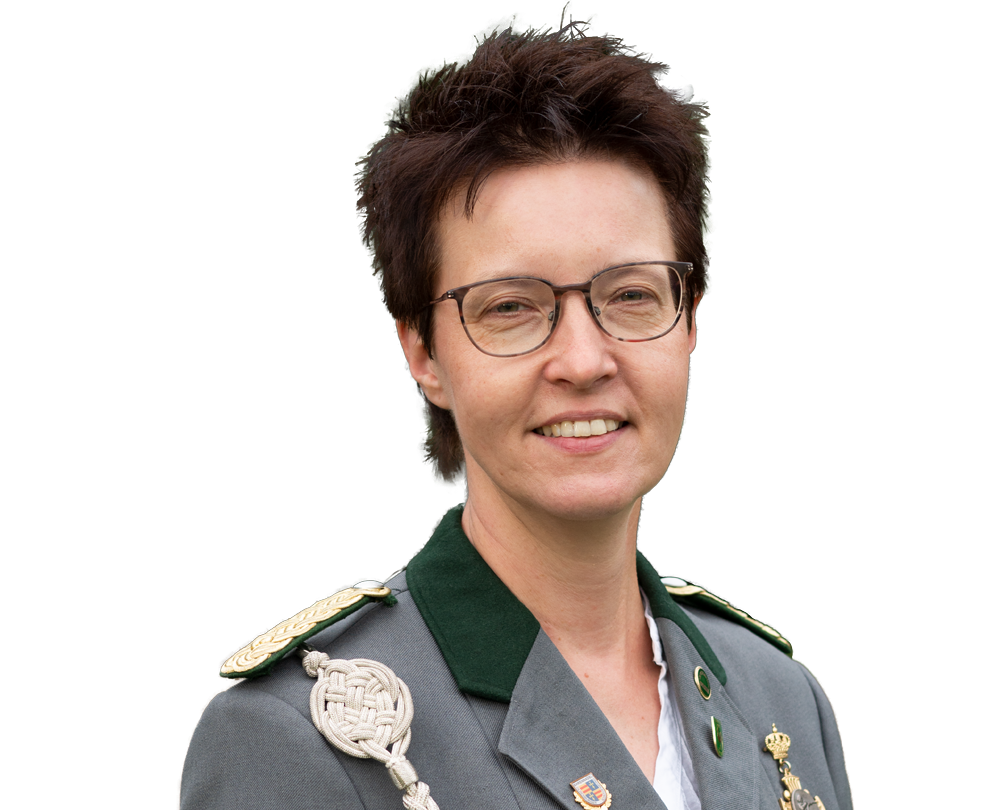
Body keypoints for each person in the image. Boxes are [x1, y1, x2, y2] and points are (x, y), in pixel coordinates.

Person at [179, 10, 852, 810]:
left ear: (689, 322)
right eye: (510, 307)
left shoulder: (780, 697)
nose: (583, 361)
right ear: (422, 352)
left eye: (631, 295)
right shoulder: (298, 734)